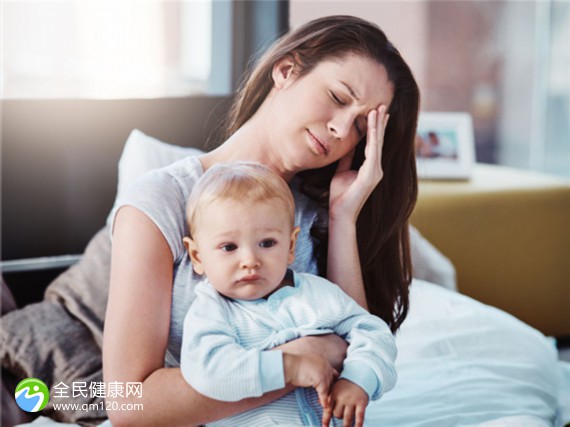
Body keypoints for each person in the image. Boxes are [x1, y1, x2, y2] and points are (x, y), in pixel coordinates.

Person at [103, 15, 419, 426]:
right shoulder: (161, 201)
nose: (341, 129)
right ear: (286, 70)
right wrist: (295, 363)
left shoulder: (322, 215)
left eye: (361, 126)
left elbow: (350, 354)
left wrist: (344, 218)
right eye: (339, 98)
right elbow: (129, 405)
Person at [180, 162, 397, 427]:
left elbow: (373, 332)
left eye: (267, 243)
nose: (250, 260)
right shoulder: (211, 311)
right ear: (197, 256)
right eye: (229, 247)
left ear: (291, 245)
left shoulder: (316, 293)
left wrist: (358, 378)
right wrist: (289, 367)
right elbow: (208, 371)